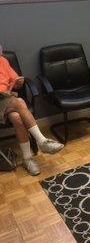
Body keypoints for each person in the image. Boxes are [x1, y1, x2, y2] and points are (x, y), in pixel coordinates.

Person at [0, 45, 64, 175]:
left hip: (6, 99)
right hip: (4, 99)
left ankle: (27, 158)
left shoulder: (3, 61)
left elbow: (16, 82)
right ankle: (42, 141)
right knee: (20, 102)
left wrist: (18, 82)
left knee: (17, 117)